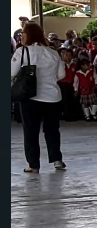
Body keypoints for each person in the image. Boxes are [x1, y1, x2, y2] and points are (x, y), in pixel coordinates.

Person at [12, 22, 67, 172]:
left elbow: (11, 72)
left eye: (23, 33)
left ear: (27, 35)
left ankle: (33, 165)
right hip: (53, 97)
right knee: (52, 130)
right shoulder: (53, 52)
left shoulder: (22, 52)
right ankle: (57, 159)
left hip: (31, 97)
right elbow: (61, 75)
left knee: (30, 131)